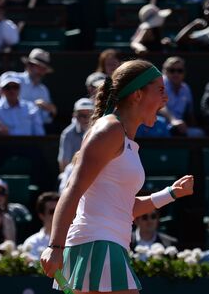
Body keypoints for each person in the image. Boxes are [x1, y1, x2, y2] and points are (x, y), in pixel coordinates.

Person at [40, 59, 194, 293]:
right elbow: (73, 189)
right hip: (96, 244)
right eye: (160, 90)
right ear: (137, 95)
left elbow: (123, 208)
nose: (166, 99)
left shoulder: (125, 141)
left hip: (105, 245)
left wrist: (171, 194)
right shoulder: (109, 130)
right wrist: (55, 246)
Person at [0, 72, 45, 136]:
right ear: (1, 90)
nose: (12, 91)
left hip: (27, 147)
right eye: (7, 87)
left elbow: (39, 134)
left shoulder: (30, 107)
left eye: (15, 87)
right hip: (3, 147)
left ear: (19, 88)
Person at [159, 57, 204, 137]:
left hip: (179, 128)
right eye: (172, 70)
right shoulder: (159, 84)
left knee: (198, 133)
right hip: (159, 126)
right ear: (165, 71)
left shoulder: (186, 88)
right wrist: (173, 120)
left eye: (179, 71)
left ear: (184, 73)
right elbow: (160, 105)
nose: (176, 74)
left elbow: (190, 114)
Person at [17, 48, 57, 125]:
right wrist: (33, 105)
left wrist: (50, 110)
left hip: (35, 132)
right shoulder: (14, 79)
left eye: (44, 69)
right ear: (29, 66)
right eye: (39, 67)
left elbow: (46, 120)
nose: (42, 72)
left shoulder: (43, 90)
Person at [58, 98, 94, 172]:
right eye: (82, 115)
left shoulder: (100, 130)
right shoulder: (68, 133)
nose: (86, 119)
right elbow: (64, 164)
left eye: (89, 115)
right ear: (75, 115)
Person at [23, 192, 60, 259]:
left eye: (59, 211)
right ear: (41, 215)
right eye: (52, 212)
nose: (57, 215)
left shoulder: (72, 240)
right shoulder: (31, 243)